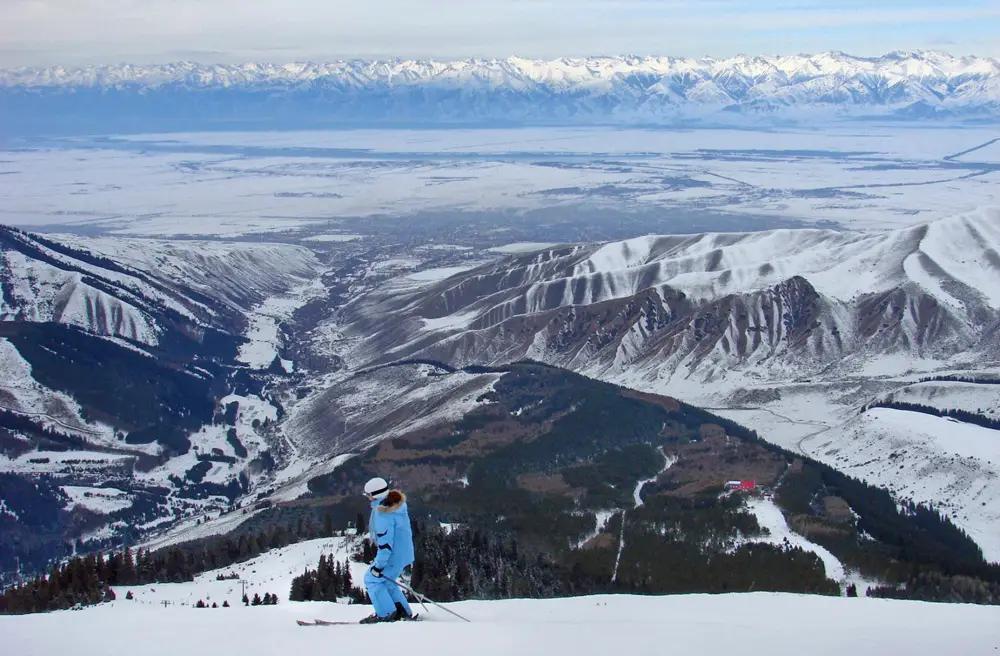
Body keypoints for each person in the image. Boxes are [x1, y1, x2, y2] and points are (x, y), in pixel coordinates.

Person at [360, 477, 416, 624]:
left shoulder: (383, 513)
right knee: (387, 582)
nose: (367, 497)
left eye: (368, 494)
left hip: (394, 555)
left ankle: (386, 614)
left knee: (371, 579)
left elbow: (385, 545)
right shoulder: (396, 505)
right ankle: (402, 612)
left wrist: (378, 565)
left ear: (375, 495)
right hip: (404, 552)